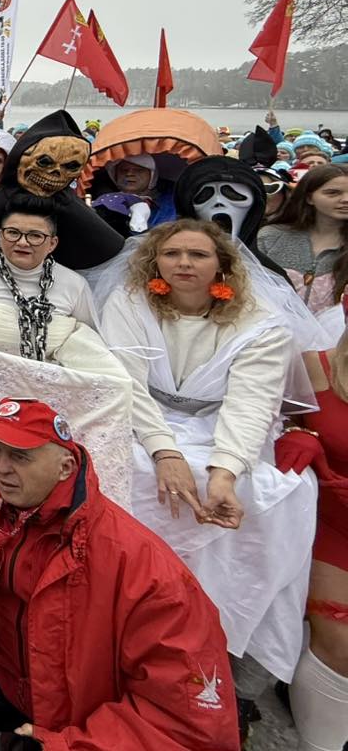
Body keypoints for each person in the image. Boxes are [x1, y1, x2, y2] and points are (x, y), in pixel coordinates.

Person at [0, 397, 240, 749]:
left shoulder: (147, 572)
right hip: (4, 670)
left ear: (65, 467)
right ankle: (5, 729)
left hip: (84, 708)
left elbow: (190, 728)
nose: (1, 468)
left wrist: (65, 744)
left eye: (20, 456)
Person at [97, 220, 319, 720]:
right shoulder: (130, 303)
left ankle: (221, 639)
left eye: (197, 255)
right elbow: (124, 383)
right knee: (127, 472)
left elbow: (250, 403)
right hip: (142, 421)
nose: (183, 264)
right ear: (154, 261)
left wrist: (226, 474)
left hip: (221, 427)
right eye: (171, 253)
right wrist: (165, 453)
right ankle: (132, 628)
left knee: (281, 493)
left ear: (222, 265)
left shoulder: (260, 320)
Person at [0, 194, 135, 500]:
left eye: (35, 236)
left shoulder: (72, 285)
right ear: (0, 235)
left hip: (47, 399)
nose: (22, 242)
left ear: (52, 243)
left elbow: (84, 337)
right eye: (13, 233)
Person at [286, 312, 348, 751]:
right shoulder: (312, 367)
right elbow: (268, 423)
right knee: (340, 643)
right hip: (328, 524)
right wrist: (296, 435)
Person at [258, 163, 348, 313]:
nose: (346, 199)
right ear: (309, 198)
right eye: (333, 193)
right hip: (274, 325)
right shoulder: (270, 237)